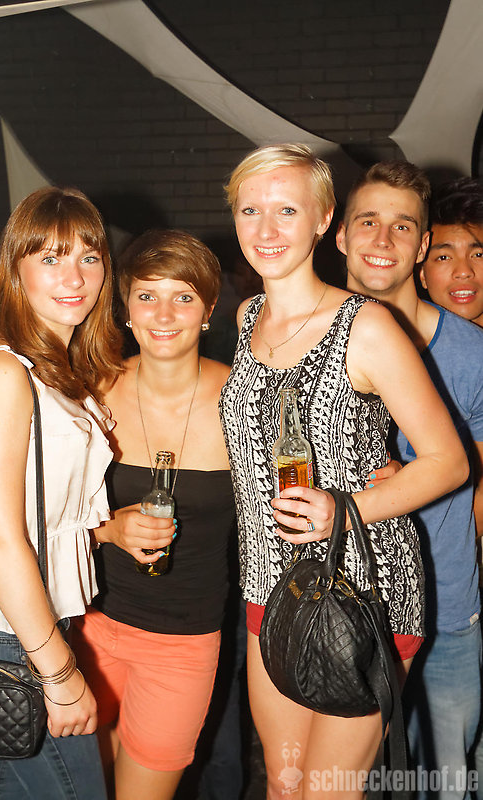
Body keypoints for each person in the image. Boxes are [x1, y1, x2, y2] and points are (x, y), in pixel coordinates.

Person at [219, 143, 469, 800]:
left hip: (365, 591)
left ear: (323, 218)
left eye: (286, 210)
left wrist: (344, 508)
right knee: (283, 784)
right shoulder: (247, 319)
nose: (266, 229)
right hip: (268, 585)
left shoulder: (366, 327)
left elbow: (448, 461)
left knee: (326, 792)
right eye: (250, 210)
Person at [0, 186, 123, 800]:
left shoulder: (54, 369)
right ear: (14, 271)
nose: (74, 277)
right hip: (9, 628)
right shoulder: (6, 371)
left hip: (28, 619)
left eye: (88, 257)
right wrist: (58, 671)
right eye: (50, 258)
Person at [70, 229, 235, 800]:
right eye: (147, 296)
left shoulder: (244, 399)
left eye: (183, 297)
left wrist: (371, 473)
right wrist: (108, 529)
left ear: (209, 310)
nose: (163, 315)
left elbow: (307, 469)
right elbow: (40, 515)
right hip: (87, 629)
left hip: (183, 643)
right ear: (125, 307)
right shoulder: (92, 392)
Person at [337, 161, 483, 800]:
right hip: (347, 606)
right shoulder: (307, 340)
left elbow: (476, 484)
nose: (382, 239)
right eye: (367, 221)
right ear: (340, 235)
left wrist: (414, 484)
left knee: (447, 781)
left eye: (402, 226)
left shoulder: (471, 354)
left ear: (421, 246)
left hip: (447, 605)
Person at [420, 176, 483, 328]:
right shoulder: (400, 340)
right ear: (422, 274)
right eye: (444, 257)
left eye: (478, 255)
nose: (464, 272)